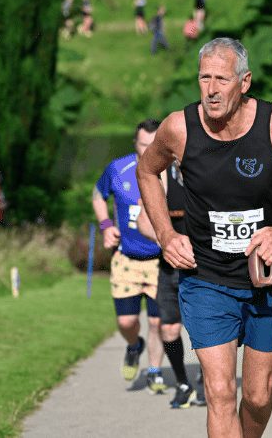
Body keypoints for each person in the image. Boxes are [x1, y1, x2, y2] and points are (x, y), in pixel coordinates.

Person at [136, 37, 272, 437]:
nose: (212, 90)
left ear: (244, 82)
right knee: (219, 392)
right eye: (204, 78)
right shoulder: (179, 128)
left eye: (222, 79)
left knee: (257, 397)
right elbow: (147, 171)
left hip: (267, 279)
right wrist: (166, 234)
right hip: (206, 278)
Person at [91, 120, 166, 391]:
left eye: (154, 145)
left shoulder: (172, 170)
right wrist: (106, 226)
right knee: (127, 321)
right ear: (135, 143)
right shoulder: (118, 169)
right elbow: (98, 195)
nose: (149, 151)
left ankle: (155, 370)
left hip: (161, 260)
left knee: (158, 322)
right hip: (127, 258)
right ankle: (134, 345)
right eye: (144, 145)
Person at [135, 161, 206, 408]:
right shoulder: (162, 175)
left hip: (206, 267)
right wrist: (167, 239)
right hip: (170, 266)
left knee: (207, 329)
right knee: (169, 329)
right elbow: (143, 219)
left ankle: (208, 380)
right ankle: (183, 383)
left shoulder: (210, 169)